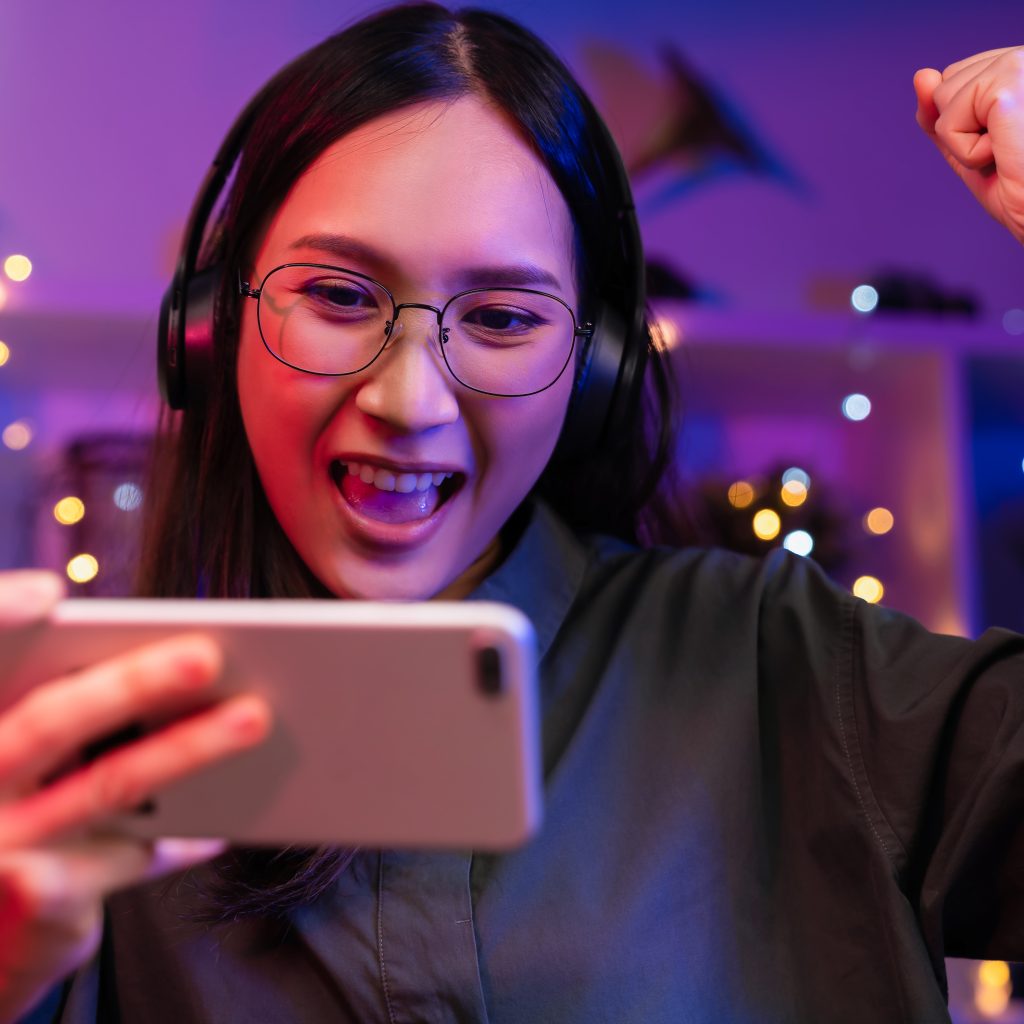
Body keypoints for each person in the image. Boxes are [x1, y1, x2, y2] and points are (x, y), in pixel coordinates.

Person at [0, 6, 1022, 1022]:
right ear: (212, 331)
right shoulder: (72, 750)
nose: (407, 404)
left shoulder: (787, 666)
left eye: (499, 319)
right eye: (339, 296)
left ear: (594, 370)